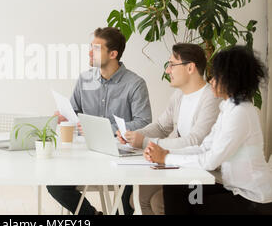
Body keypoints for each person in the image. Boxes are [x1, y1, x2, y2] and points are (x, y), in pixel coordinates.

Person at [144, 45, 272, 215]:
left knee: (193, 202)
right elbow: (204, 148)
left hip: (252, 199)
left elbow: (210, 161)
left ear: (231, 79)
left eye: (216, 76)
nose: (211, 80)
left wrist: (167, 158)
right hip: (233, 189)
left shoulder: (241, 113)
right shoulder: (228, 107)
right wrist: (167, 153)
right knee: (176, 189)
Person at [47, 27, 152, 215]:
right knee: (55, 185)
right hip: (87, 155)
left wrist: (104, 129)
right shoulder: (85, 79)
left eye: (96, 49)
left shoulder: (135, 84)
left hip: (121, 156)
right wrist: (64, 117)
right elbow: (75, 112)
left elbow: (144, 123)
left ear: (113, 54)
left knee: (125, 202)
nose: (89, 52)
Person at [117, 43, 221, 214]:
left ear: (190, 68)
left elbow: (195, 142)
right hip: (183, 167)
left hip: (207, 175)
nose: (168, 71)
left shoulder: (211, 98)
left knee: (159, 200)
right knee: (141, 195)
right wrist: (135, 135)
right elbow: (161, 126)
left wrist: (145, 142)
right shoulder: (179, 95)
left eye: (172, 65)